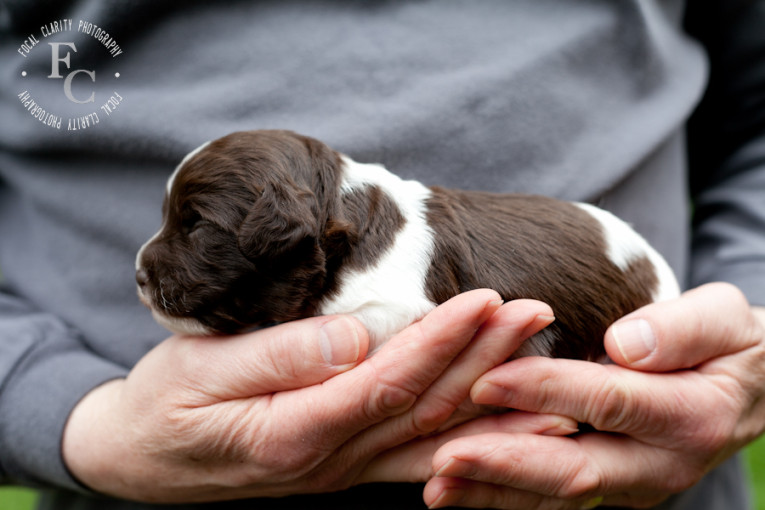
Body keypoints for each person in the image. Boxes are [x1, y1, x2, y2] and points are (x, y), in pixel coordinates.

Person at [1, 1, 764, 509]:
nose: (152, 261)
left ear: (294, 240)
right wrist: (59, 408)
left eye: (194, 230)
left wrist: (748, 313)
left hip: (636, 460)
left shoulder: (378, 272)